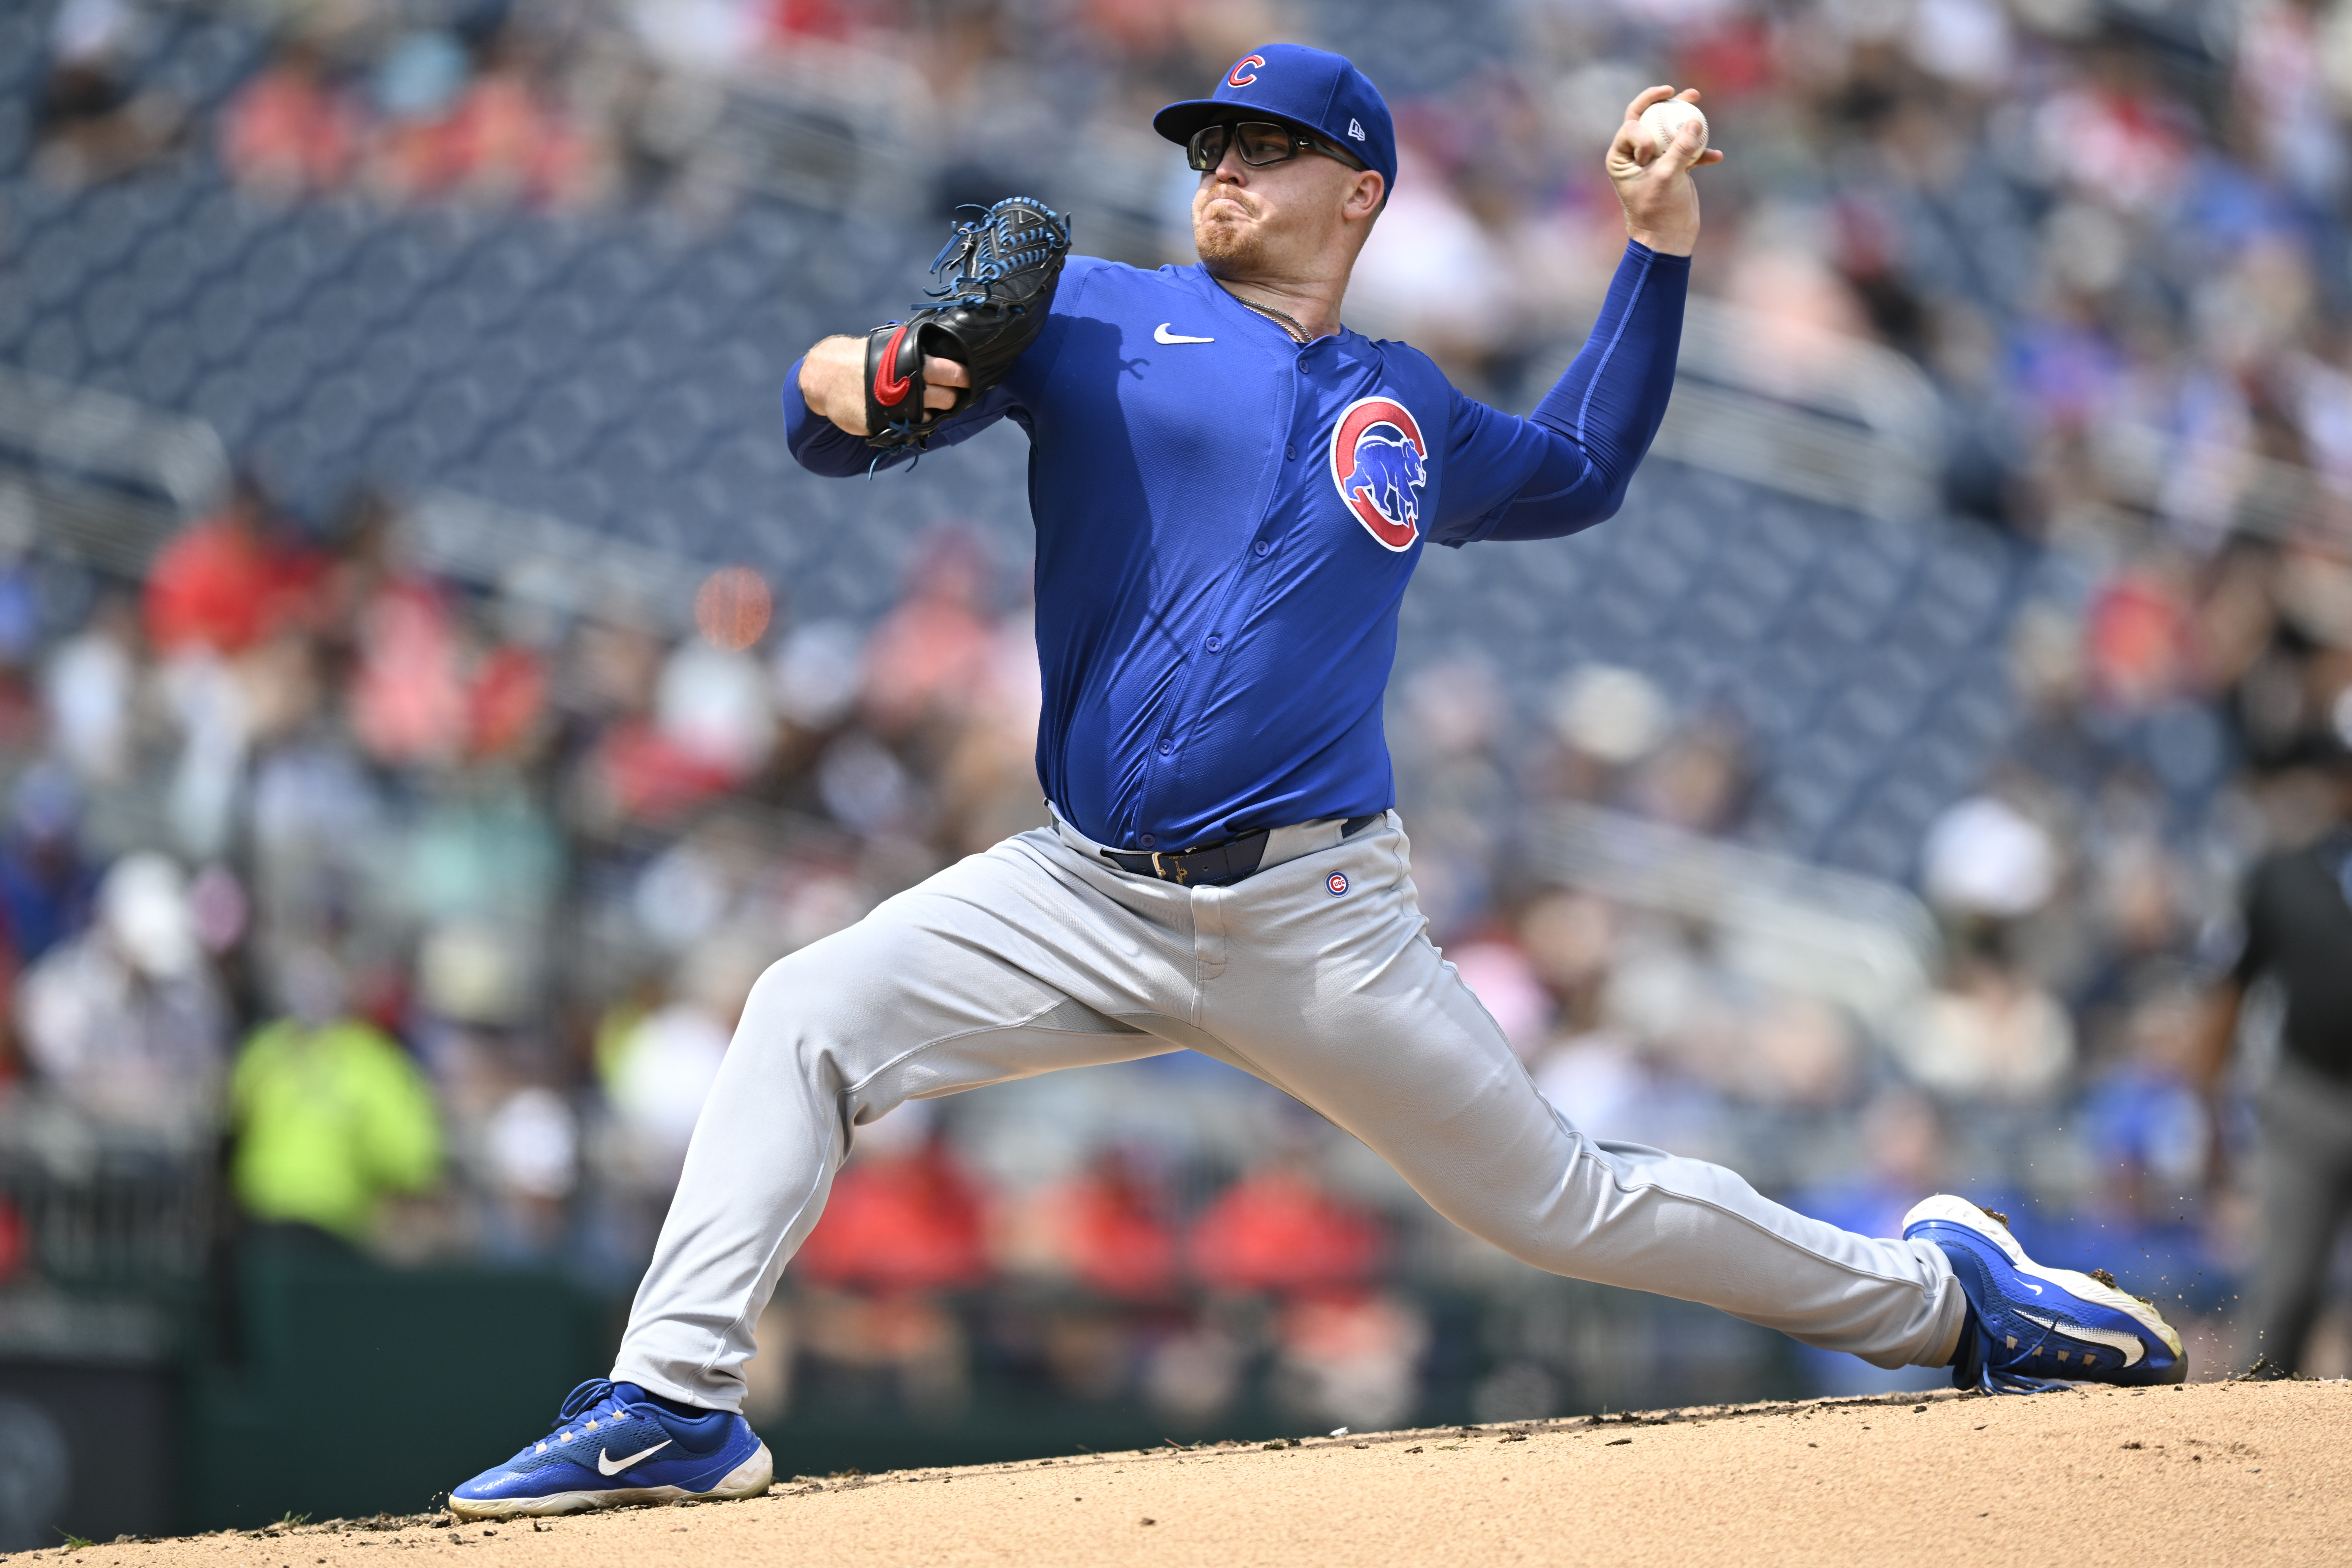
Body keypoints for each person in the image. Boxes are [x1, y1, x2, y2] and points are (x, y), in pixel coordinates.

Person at [448, 44, 2183, 1518]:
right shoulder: (1094, 320)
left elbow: (1578, 470)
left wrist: (1654, 251)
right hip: (1081, 887)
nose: (1221, 169)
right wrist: (891, 375)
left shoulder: (1403, 402)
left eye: (1262, 148)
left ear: (1358, 190)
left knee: (1560, 1205)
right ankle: (672, 1405)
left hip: (1317, 911)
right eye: (1208, 145)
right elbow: (821, 406)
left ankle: (1946, 1306)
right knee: (803, 1011)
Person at [2195, 729, 2352, 1374]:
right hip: (2307, 1099)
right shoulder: (2286, 877)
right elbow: (2229, 995)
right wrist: (2208, 1115)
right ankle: (2242, 1455)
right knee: (2284, 1292)